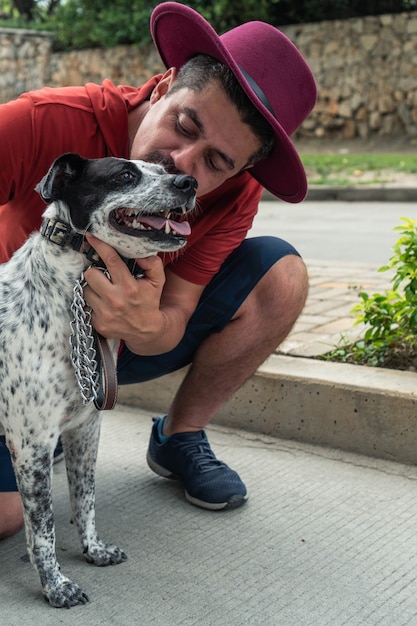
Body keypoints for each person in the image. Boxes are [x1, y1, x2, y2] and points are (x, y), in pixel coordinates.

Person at [0, 2, 316, 539]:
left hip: (111, 354)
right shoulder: (42, 120)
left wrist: (145, 324)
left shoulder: (237, 195)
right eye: (184, 124)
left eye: (216, 162)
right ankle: (37, 425)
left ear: (242, 169)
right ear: (164, 85)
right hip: (12, 352)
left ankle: (179, 436)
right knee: (6, 517)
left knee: (281, 276)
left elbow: (177, 314)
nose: (181, 163)